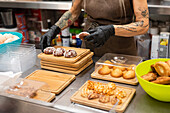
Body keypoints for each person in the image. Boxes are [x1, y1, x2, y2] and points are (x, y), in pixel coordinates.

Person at [40, 0, 149, 56]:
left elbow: (143, 24)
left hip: (120, 50)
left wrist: (111, 30)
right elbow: (73, 12)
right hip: (90, 47)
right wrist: (56, 28)